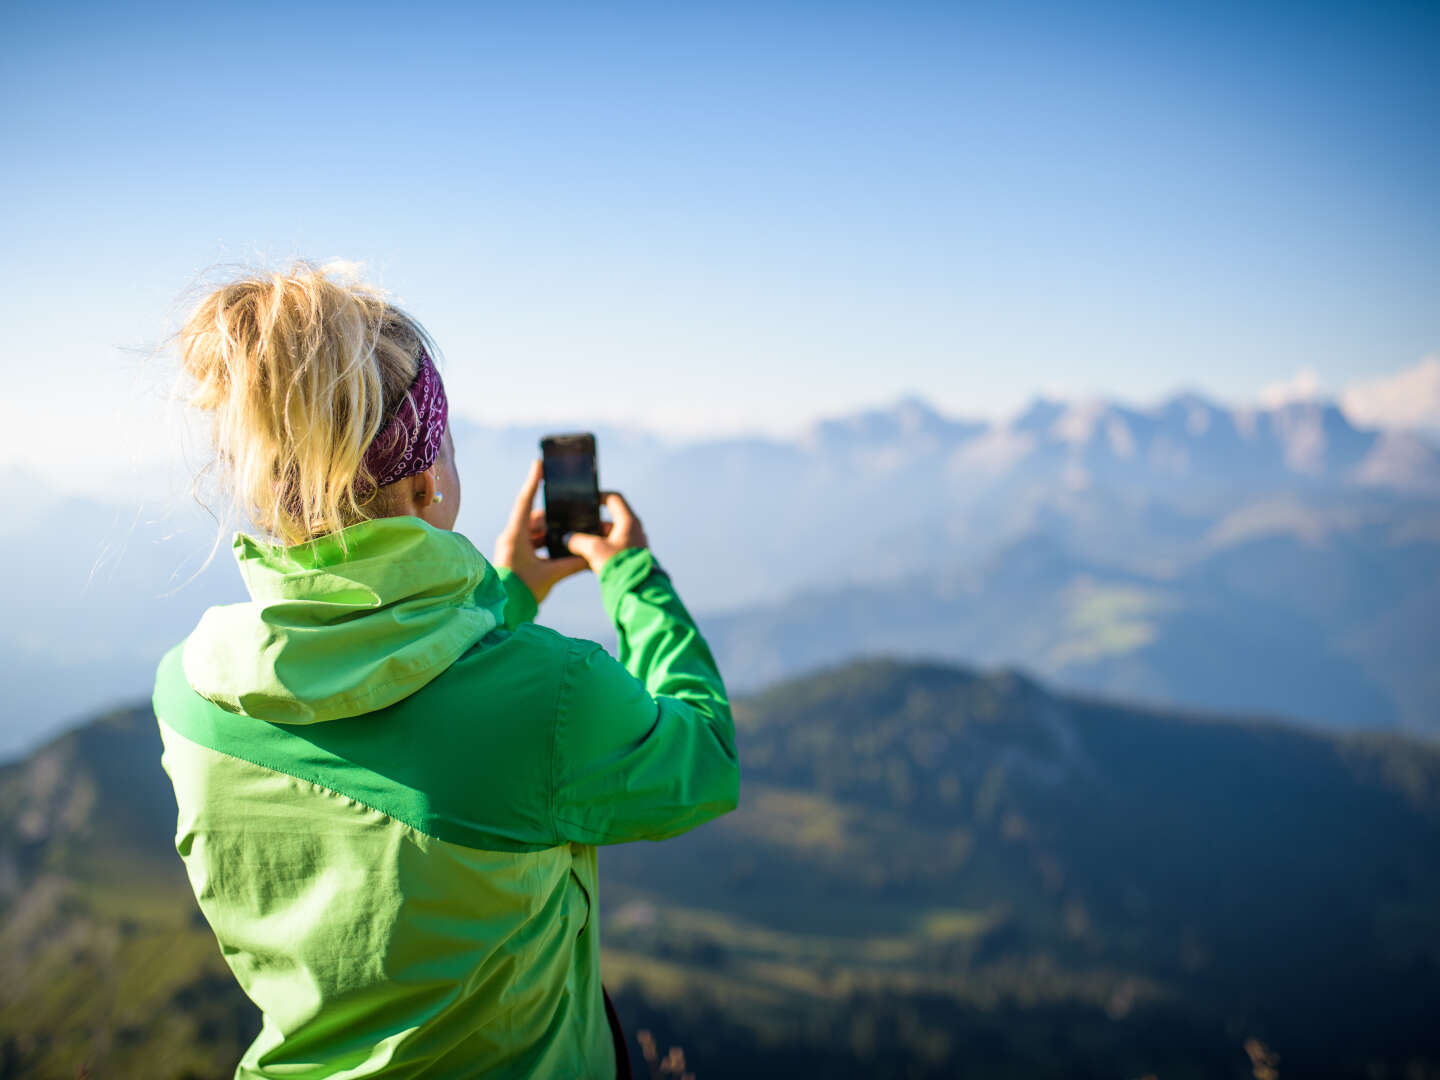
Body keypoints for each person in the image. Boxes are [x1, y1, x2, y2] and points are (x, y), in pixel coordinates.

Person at [151, 261, 739, 1078]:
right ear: (429, 480)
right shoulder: (555, 697)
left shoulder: (188, 694)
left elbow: (406, 718)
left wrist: (502, 597)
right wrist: (634, 579)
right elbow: (705, 761)